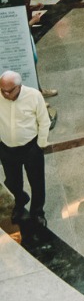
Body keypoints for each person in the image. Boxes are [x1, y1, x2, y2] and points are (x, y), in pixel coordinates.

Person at [0, 70, 50, 229]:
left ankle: (37, 212)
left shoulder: (34, 96)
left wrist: (40, 145)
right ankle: (20, 201)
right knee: (13, 183)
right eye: (2, 90)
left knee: (37, 182)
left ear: (19, 87)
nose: (5, 94)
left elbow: (44, 121)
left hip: (31, 148)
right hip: (7, 149)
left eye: (9, 91)